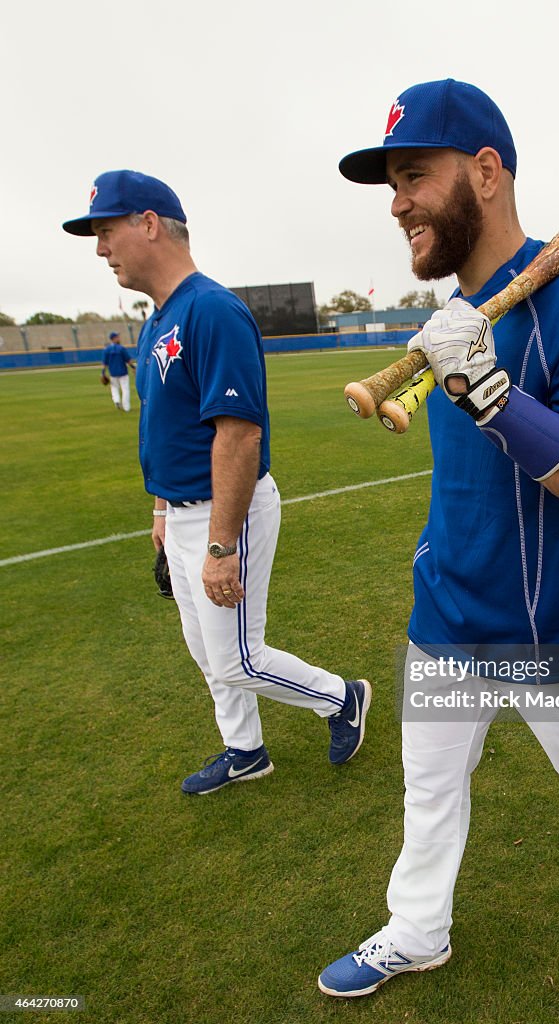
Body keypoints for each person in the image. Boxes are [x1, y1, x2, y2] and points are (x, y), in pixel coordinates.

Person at [318, 80, 559, 999]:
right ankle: (417, 928)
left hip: (551, 619)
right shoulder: (453, 317)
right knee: (428, 790)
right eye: (389, 182)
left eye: (413, 174)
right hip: (450, 607)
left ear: (484, 171)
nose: (396, 200)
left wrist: (493, 395)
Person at [62, 170, 371, 794]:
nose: (100, 248)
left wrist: (220, 545)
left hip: (227, 512)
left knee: (238, 656)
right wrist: (160, 511)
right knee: (207, 651)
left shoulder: (212, 310)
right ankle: (245, 749)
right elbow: (164, 426)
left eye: (105, 230)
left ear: (148, 224)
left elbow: (238, 435)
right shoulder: (156, 322)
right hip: (179, 512)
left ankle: (342, 698)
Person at [101, 330, 136, 411]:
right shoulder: (121, 348)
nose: (119, 338)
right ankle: (126, 407)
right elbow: (128, 360)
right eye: (117, 337)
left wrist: (102, 373)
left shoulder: (107, 350)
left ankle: (116, 401)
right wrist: (133, 367)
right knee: (125, 389)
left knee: (114, 388)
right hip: (123, 372)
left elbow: (104, 363)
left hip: (113, 373)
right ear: (114, 338)